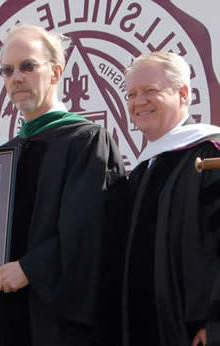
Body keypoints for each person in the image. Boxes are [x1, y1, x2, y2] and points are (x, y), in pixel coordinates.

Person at [0, 24, 124, 346]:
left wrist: (31, 269)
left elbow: (90, 228)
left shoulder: (86, 141)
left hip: (57, 323)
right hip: (5, 314)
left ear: (55, 72)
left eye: (28, 66)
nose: (16, 78)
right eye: (8, 70)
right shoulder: (6, 154)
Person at [122, 51, 220, 346]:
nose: (139, 101)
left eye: (151, 91)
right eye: (131, 94)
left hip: (191, 330)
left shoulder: (209, 157)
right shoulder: (141, 172)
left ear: (183, 94)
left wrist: (215, 324)